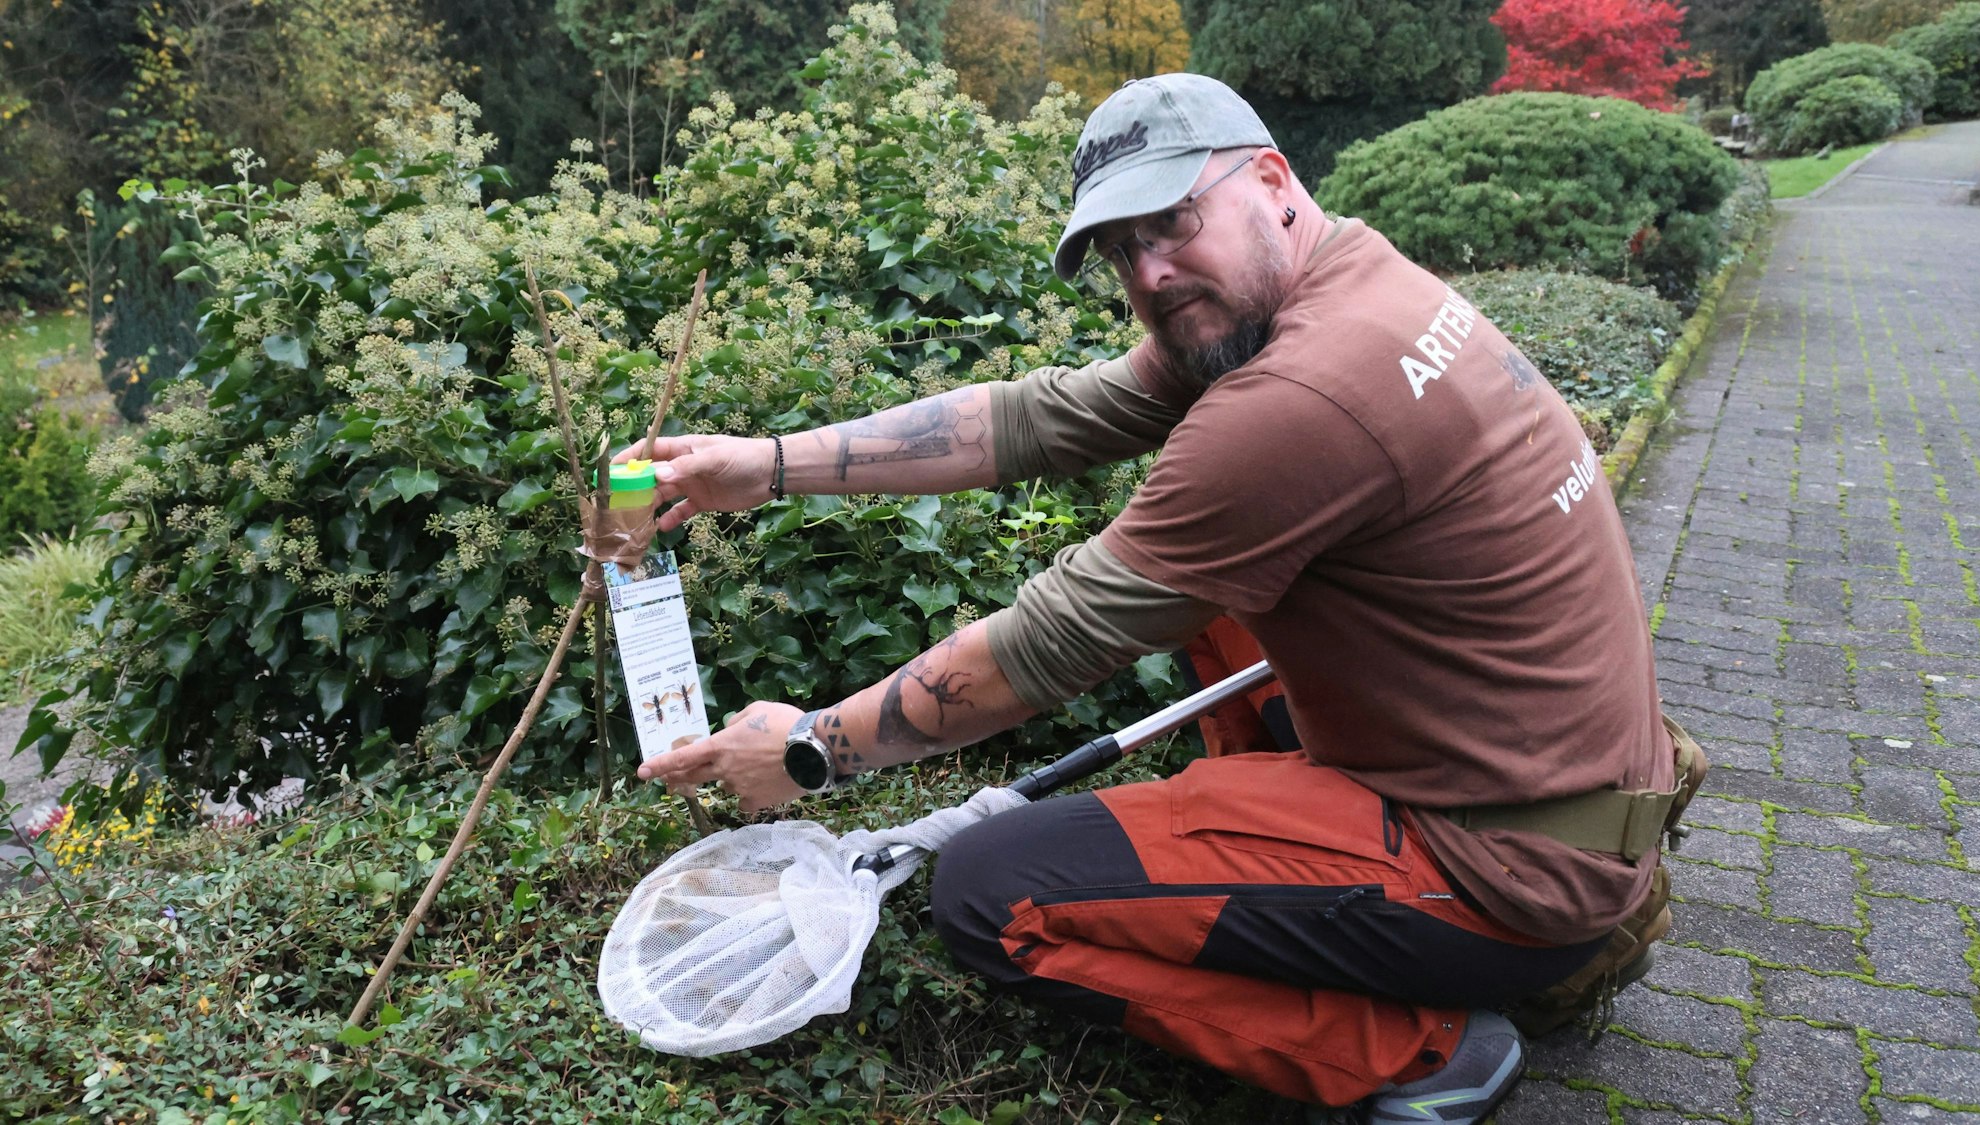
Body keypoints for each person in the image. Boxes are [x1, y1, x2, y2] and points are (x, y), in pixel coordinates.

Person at [619, 74, 1690, 1124]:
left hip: (1506, 869)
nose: (1151, 269)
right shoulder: (1335, 282)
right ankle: (1260, 854)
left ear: (1270, 179)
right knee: (1218, 590)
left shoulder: (1306, 395)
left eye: (1170, 220)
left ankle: (1430, 1050)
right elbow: (1036, 420)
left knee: (992, 894)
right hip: (1547, 787)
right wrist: (766, 463)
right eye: (1121, 249)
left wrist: (810, 750)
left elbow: (1033, 653)